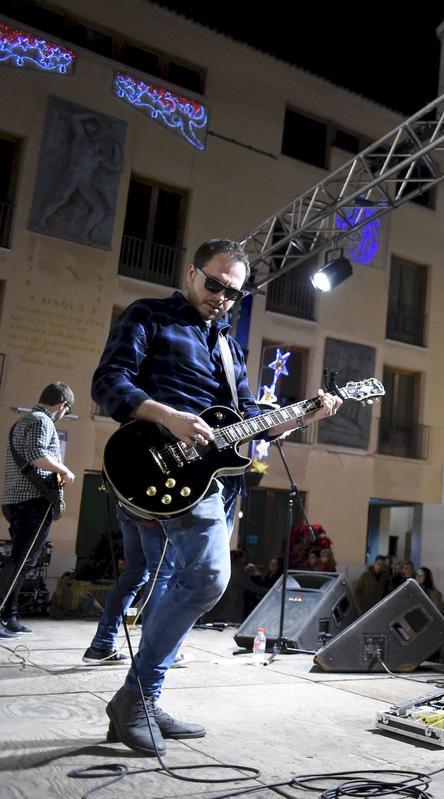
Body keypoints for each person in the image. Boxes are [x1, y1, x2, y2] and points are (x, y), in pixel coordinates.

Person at [91, 239, 342, 755]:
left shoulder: (229, 346)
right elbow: (108, 383)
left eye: (233, 292)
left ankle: (145, 698)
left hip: (214, 482)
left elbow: (248, 420)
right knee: (208, 578)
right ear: (191, 273)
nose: (222, 297)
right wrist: (169, 416)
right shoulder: (150, 316)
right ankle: (136, 699)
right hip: (157, 465)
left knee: (176, 586)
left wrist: (303, 416)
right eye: (215, 284)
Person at [1, 382, 75, 639]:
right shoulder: (42, 421)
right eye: (67, 410)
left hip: (15, 500)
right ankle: (3, 613)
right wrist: (64, 470)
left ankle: (10, 615)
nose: (64, 414)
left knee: (21, 560)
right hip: (32, 502)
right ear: (62, 405)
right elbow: (37, 455)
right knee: (22, 561)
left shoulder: (23, 421)